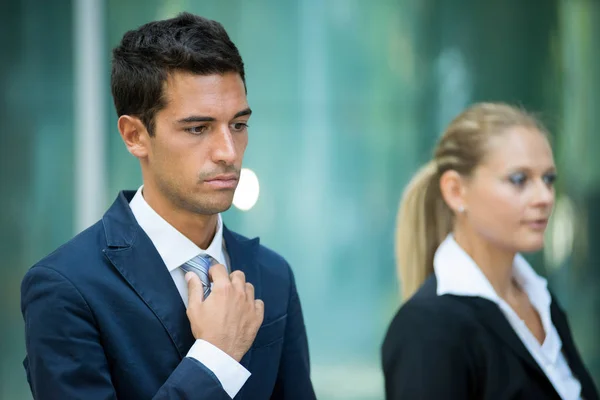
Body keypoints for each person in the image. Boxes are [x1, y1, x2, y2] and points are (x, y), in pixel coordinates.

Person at [21, 12, 316, 400]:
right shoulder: (65, 288)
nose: (229, 152)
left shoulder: (273, 275)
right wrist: (216, 360)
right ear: (134, 136)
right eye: (198, 128)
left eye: (238, 125)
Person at [381, 102, 599, 400]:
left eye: (548, 179)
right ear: (456, 191)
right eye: (519, 179)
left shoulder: (543, 304)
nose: (545, 197)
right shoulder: (428, 329)